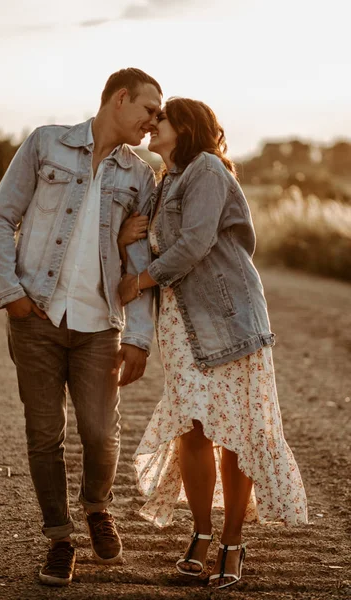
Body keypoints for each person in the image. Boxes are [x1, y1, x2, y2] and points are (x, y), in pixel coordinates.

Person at [118, 97, 308, 589]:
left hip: (228, 319)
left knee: (237, 431)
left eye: (162, 118)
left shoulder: (206, 169)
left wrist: (141, 279)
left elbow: (197, 241)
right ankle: (200, 536)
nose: (153, 124)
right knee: (193, 428)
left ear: (185, 126)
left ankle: (231, 543)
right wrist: (128, 237)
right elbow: (161, 240)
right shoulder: (166, 181)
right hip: (181, 324)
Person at [0, 68, 162, 586]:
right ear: (120, 99)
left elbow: (136, 263)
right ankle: (60, 538)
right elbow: (0, 218)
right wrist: (11, 295)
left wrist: (138, 336)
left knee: (100, 434)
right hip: (36, 315)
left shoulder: (139, 177)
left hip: (98, 324)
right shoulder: (46, 144)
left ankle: (96, 506)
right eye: (150, 109)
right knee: (44, 435)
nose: (154, 121)